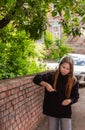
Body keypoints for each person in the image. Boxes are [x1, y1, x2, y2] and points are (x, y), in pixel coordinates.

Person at [33, 56, 79, 130]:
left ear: (71, 70)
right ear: (60, 65)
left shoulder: (73, 80)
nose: (65, 70)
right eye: (63, 67)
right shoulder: (52, 75)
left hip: (65, 111)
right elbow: (36, 78)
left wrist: (70, 100)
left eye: (68, 69)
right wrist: (46, 84)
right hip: (52, 110)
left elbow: (76, 96)